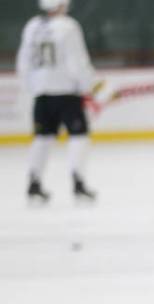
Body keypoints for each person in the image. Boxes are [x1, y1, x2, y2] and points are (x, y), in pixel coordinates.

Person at [16, 0, 98, 203]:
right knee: (79, 135)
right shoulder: (68, 26)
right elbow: (76, 60)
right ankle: (78, 182)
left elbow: (23, 60)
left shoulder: (32, 26)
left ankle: (34, 183)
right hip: (66, 91)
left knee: (42, 137)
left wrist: (31, 86)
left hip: (41, 92)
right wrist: (87, 85)